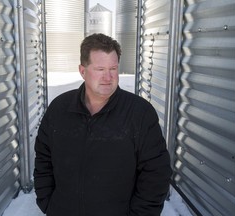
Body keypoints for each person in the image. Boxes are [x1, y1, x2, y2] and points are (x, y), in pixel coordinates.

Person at [34, 33, 172, 216]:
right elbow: (44, 159)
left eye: (113, 68)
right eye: (100, 69)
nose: (108, 77)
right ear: (82, 71)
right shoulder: (60, 109)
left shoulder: (139, 113)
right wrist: (48, 203)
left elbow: (156, 174)